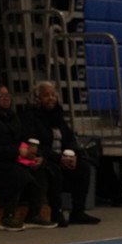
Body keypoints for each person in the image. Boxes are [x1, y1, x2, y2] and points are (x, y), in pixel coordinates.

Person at [0, 84, 54, 231]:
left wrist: (35, 155)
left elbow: (24, 139)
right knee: (17, 173)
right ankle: (8, 216)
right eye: (1, 96)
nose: (6, 98)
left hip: (11, 158)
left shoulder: (12, 117)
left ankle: (34, 215)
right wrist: (16, 151)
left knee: (40, 169)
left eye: (7, 95)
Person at [21, 81, 101, 227]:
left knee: (83, 167)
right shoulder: (30, 117)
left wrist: (73, 156)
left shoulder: (58, 116)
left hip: (60, 157)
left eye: (53, 95)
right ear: (37, 99)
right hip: (45, 158)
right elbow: (36, 145)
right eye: (46, 95)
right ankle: (56, 213)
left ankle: (78, 213)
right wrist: (58, 158)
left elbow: (70, 139)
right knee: (54, 170)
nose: (51, 98)